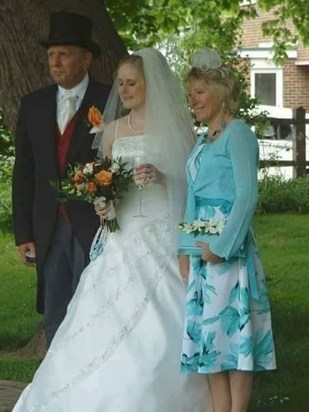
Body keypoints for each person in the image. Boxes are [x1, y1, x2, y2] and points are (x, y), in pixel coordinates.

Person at [13, 48, 213, 411]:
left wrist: (161, 177)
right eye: (120, 83)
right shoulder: (112, 131)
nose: (124, 89)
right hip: (122, 237)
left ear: (151, 85)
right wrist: (102, 203)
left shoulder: (177, 130)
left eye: (132, 83)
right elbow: (107, 185)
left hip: (161, 231)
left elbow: (192, 188)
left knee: (164, 313)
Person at [178, 47, 276, 412]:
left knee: (234, 338)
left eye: (200, 92)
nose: (193, 100)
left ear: (221, 92)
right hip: (202, 257)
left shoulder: (239, 135)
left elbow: (247, 197)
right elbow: (192, 196)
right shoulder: (203, 141)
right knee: (209, 339)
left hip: (228, 254)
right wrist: (185, 249)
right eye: (191, 94)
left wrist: (220, 246)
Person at [12, 11, 111, 346]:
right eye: (51, 55)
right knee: (55, 309)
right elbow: (24, 172)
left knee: (95, 307)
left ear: (85, 59)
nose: (55, 62)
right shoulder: (33, 104)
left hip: (94, 223)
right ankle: (56, 388)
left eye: (63, 54)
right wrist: (23, 232)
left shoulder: (109, 99)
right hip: (47, 225)